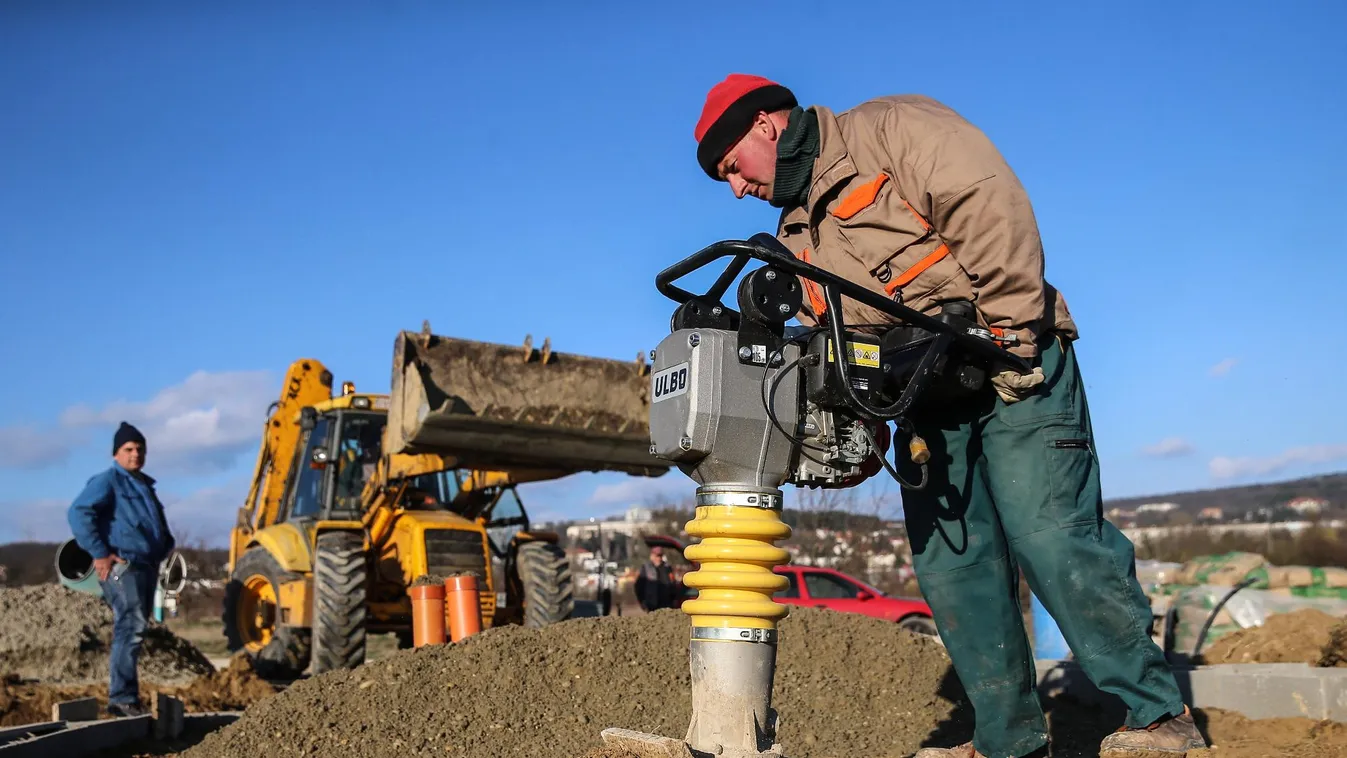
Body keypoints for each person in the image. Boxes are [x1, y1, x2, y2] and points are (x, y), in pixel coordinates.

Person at [691, 74, 1206, 758]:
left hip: (1005, 363)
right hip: (925, 399)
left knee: (1050, 536)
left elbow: (988, 206)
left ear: (763, 125)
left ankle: (1156, 715)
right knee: (954, 566)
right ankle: (1007, 741)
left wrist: (1012, 335)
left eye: (731, 168)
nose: (735, 188)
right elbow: (839, 340)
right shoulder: (794, 232)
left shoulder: (890, 130)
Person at [67, 422, 175, 718]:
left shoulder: (143, 485)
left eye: (140, 449)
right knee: (131, 625)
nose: (135, 454)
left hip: (145, 565)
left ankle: (128, 698)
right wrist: (100, 553)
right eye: (129, 449)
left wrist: (165, 546)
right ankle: (122, 699)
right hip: (122, 566)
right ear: (116, 453)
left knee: (135, 627)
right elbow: (78, 512)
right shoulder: (109, 481)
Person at [634, 546, 676, 613]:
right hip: (652, 604)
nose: (659, 558)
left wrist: (674, 599)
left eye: (660, 556)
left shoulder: (667, 568)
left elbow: (673, 583)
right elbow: (639, 586)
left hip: (667, 603)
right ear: (652, 556)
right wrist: (641, 601)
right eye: (657, 556)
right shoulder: (646, 568)